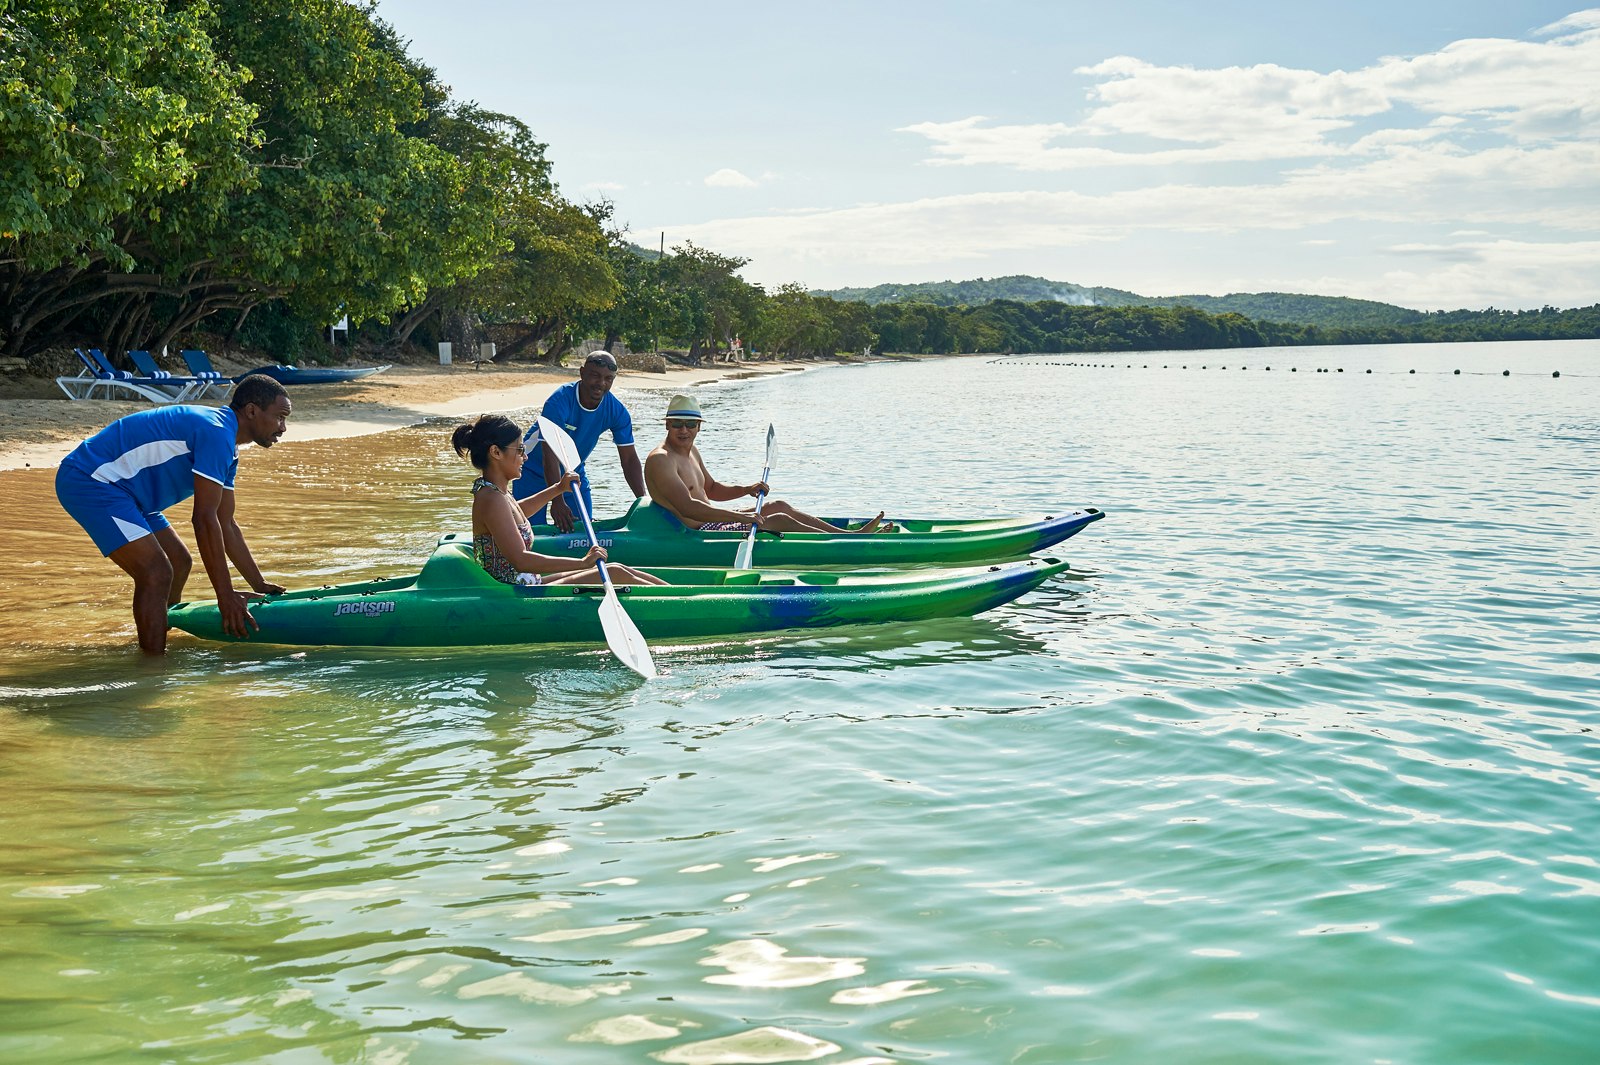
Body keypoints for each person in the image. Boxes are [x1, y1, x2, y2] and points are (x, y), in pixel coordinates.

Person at [54, 374, 293, 654]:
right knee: (156, 571)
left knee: (179, 561)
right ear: (252, 411)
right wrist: (224, 596)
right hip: (93, 480)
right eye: (280, 417)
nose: (284, 427)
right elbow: (203, 520)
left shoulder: (228, 447)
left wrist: (258, 583)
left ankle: (158, 630)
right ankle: (152, 668)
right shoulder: (216, 433)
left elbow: (225, 523)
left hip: (132, 494)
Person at [453, 414, 667, 587]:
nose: (525, 457)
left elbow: (517, 513)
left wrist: (558, 488)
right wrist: (582, 563)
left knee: (618, 570)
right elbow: (521, 559)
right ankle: (683, 603)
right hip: (514, 591)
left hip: (526, 583)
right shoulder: (491, 498)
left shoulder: (496, 492)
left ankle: (676, 593)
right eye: (519, 450)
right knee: (616, 574)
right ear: (496, 452)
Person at [642, 393, 892, 534]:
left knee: (777, 505)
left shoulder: (691, 450)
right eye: (676, 423)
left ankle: (848, 538)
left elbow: (712, 489)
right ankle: (847, 543)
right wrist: (746, 516)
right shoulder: (661, 460)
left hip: (711, 520)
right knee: (777, 519)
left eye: (690, 424)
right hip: (698, 532)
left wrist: (746, 489)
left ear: (699, 426)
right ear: (667, 424)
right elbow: (689, 508)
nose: (683, 430)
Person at [512, 351, 644, 531]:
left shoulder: (617, 411)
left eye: (608, 379)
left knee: (582, 531)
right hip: (532, 470)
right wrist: (557, 501)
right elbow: (548, 455)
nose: (601, 384)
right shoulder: (559, 401)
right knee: (529, 533)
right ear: (582, 373)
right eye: (595, 376)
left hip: (573, 472)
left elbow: (629, 460)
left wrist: (643, 501)